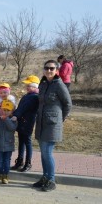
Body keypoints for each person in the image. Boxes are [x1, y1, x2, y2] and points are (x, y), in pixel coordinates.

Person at [33, 60, 72, 192]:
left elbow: (68, 104)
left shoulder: (59, 85)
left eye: (52, 68)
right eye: (46, 68)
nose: (49, 70)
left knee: (47, 152)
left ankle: (51, 179)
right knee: (43, 153)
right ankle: (45, 177)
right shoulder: (43, 84)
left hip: (52, 124)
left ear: (56, 71)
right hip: (42, 123)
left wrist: (60, 118)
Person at [11, 75, 40, 172]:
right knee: (21, 142)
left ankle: (28, 163)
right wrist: (14, 114)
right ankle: (20, 161)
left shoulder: (34, 97)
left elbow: (23, 109)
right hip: (22, 122)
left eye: (29, 85)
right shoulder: (27, 95)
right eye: (27, 85)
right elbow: (20, 108)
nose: (26, 87)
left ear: (35, 86)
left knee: (27, 142)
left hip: (27, 123)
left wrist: (16, 115)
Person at [0, 83, 16, 169]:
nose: (3, 95)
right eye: (1, 93)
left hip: (7, 119)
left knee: (3, 139)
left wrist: (10, 117)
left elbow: (13, 110)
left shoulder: (11, 99)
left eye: (5, 92)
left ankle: (0, 163)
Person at [0, 100, 17, 184]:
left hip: (8, 145)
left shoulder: (13, 120)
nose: (5, 112)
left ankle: (5, 175)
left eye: (8, 110)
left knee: (7, 161)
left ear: (12, 111)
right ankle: (0, 175)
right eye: (4, 110)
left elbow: (12, 128)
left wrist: (6, 119)